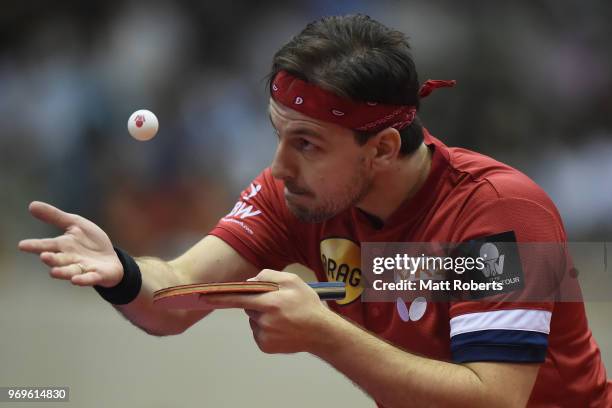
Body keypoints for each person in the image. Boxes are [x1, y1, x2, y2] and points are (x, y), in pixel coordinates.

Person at [18, 14, 610, 408]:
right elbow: (174, 297)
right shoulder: (297, 197)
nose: (277, 167)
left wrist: (322, 333)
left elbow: (495, 397)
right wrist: (123, 274)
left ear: (380, 147)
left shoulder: (499, 215)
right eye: (278, 134)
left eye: (306, 142)